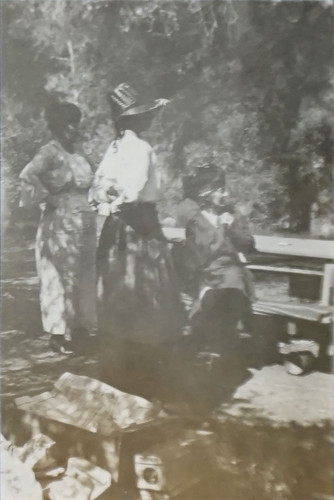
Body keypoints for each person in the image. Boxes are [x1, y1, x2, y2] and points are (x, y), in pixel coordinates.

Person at [89, 83, 184, 399]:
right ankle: (134, 374)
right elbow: (114, 189)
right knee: (139, 295)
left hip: (128, 225)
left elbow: (107, 189)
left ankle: (134, 373)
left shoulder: (120, 149)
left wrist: (108, 195)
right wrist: (111, 195)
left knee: (129, 297)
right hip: (134, 227)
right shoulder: (135, 149)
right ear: (137, 120)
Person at [173, 163, 255, 410]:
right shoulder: (195, 220)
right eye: (219, 189)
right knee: (199, 321)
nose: (225, 194)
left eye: (224, 188)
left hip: (231, 278)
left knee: (220, 310)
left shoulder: (232, 216)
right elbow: (193, 257)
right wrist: (197, 284)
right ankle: (200, 386)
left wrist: (230, 228)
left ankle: (216, 382)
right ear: (205, 193)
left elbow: (249, 245)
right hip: (205, 278)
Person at [19, 99, 97, 354]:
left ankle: (82, 329)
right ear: (57, 126)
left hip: (84, 219)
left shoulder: (79, 154)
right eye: (68, 124)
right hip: (60, 221)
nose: (73, 129)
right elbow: (27, 176)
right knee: (60, 276)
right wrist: (46, 197)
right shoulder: (49, 152)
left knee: (84, 275)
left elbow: (90, 184)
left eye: (75, 124)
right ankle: (58, 334)